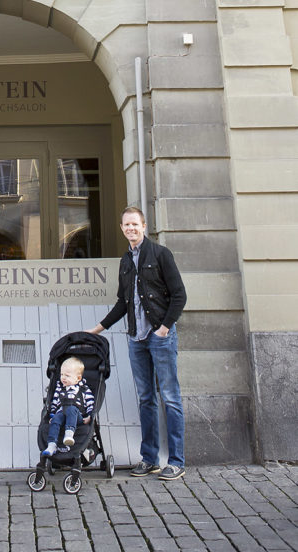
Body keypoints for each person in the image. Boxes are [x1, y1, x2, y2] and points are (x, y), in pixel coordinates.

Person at [88, 205, 187, 480]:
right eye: (126, 225)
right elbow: (123, 302)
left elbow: (179, 295)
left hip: (159, 337)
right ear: (122, 229)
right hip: (136, 339)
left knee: (170, 397)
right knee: (146, 399)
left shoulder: (160, 254)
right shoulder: (125, 261)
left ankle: (177, 460)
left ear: (144, 226)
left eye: (135, 224)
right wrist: (98, 328)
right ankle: (150, 459)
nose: (130, 228)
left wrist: (164, 329)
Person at [41, 356, 94, 457]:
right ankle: (52, 444)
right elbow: (55, 403)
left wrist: (90, 416)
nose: (63, 378)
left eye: (67, 375)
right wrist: (52, 415)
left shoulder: (84, 390)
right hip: (62, 414)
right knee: (56, 418)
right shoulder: (59, 389)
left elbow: (90, 403)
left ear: (78, 378)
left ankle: (69, 434)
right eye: (61, 374)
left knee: (71, 409)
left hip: (78, 416)